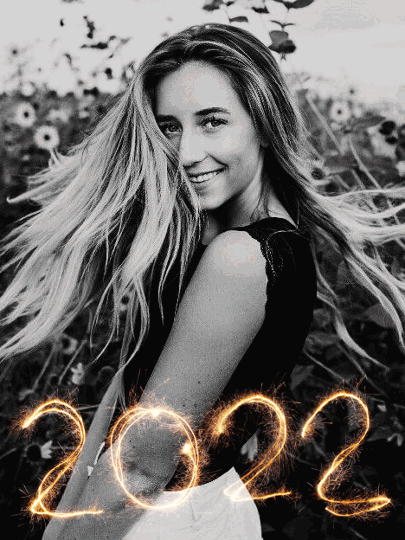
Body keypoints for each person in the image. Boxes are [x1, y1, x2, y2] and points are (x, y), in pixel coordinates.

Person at [0, 23, 404, 540]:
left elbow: (144, 464)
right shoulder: (248, 241)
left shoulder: (239, 257)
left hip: (162, 515)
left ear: (265, 124)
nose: (186, 152)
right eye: (169, 127)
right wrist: (64, 518)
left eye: (212, 122)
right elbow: (130, 387)